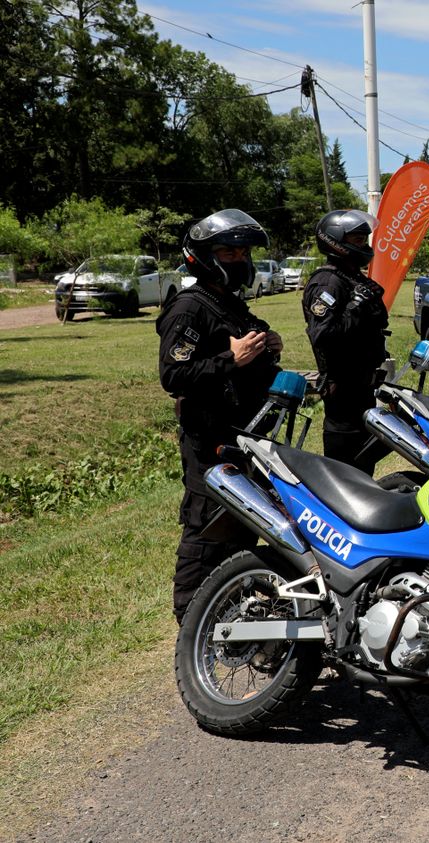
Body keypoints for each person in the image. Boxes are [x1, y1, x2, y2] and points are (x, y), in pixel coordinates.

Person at [157, 209, 283, 623]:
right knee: (206, 532)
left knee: (244, 529)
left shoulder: (228, 303)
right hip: (208, 442)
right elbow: (174, 374)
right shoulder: (190, 308)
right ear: (204, 255)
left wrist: (268, 349)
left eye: (243, 251)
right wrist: (233, 358)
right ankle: (192, 624)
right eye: (229, 251)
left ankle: (236, 617)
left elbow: (250, 358)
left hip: (246, 438)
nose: (240, 259)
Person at [302, 209, 391, 475]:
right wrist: (355, 307)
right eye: (355, 239)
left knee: (364, 465)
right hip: (343, 389)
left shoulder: (353, 278)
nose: (363, 245)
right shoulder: (327, 282)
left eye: (364, 239)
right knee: (346, 470)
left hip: (364, 386)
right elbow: (323, 335)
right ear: (334, 241)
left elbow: (375, 323)